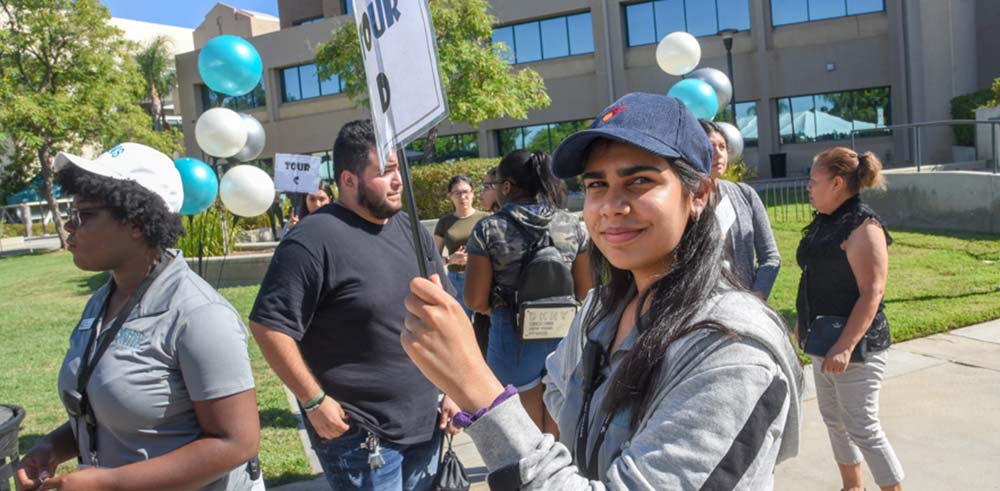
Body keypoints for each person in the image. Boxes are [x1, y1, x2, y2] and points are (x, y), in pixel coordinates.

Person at [400, 93, 803, 489]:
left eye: (640, 180)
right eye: (596, 184)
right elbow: (559, 386)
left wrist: (478, 391)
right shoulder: (600, 308)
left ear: (697, 194)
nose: (611, 205)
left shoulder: (733, 351)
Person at [16, 143, 261, 491]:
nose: (69, 226)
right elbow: (109, 413)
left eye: (83, 215)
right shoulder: (104, 300)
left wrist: (110, 483)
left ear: (135, 222)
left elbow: (236, 443)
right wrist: (52, 447)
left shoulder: (200, 315)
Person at [249, 120, 458, 491]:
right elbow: (269, 325)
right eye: (385, 172)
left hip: (426, 424)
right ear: (348, 180)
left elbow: (445, 314)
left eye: (399, 170)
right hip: (359, 437)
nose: (398, 181)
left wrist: (456, 389)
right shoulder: (311, 240)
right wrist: (314, 402)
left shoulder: (411, 230)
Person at [796, 147, 903, 491]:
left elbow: (873, 291)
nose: (808, 188)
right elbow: (814, 274)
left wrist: (845, 346)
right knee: (834, 421)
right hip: (824, 338)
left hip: (857, 345)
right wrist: (804, 318)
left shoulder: (863, 226)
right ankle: (852, 487)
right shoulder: (827, 220)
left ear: (837, 183)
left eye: (814, 181)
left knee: (863, 427)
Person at [463, 150, 591, 433]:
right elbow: (585, 289)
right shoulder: (572, 226)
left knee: (523, 436)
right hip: (564, 334)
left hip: (511, 337)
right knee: (561, 430)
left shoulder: (489, 229)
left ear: (507, 186)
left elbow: (474, 299)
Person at [700, 120, 780, 299]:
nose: (718, 153)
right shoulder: (681, 201)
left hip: (745, 303)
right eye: (710, 146)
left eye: (722, 147)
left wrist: (756, 299)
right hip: (700, 309)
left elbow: (770, 256)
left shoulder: (745, 194)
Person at [433, 175, 488, 319]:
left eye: (466, 192)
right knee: (462, 324)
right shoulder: (444, 222)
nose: (462, 197)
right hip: (456, 281)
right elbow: (431, 258)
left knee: (485, 326)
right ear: (450, 196)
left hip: (482, 277)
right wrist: (451, 259)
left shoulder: (486, 218)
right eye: (457, 193)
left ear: (472, 193)